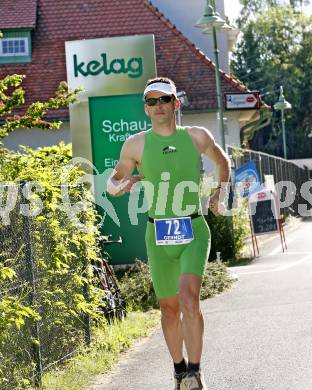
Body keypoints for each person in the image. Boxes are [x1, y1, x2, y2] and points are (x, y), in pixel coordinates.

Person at [106, 77, 230, 390]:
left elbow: (223, 161)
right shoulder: (135, 144)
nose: (158, 106)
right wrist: (121, 185)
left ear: (176, 104)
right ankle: (178, 371)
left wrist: (219, 193)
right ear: (146, 108)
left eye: (165, 100)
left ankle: (195, 372)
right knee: (169, 309)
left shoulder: (197, 136)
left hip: (192, 229)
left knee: (189, 300)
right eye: (152, 101)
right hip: (157, 233)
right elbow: (114, 181)